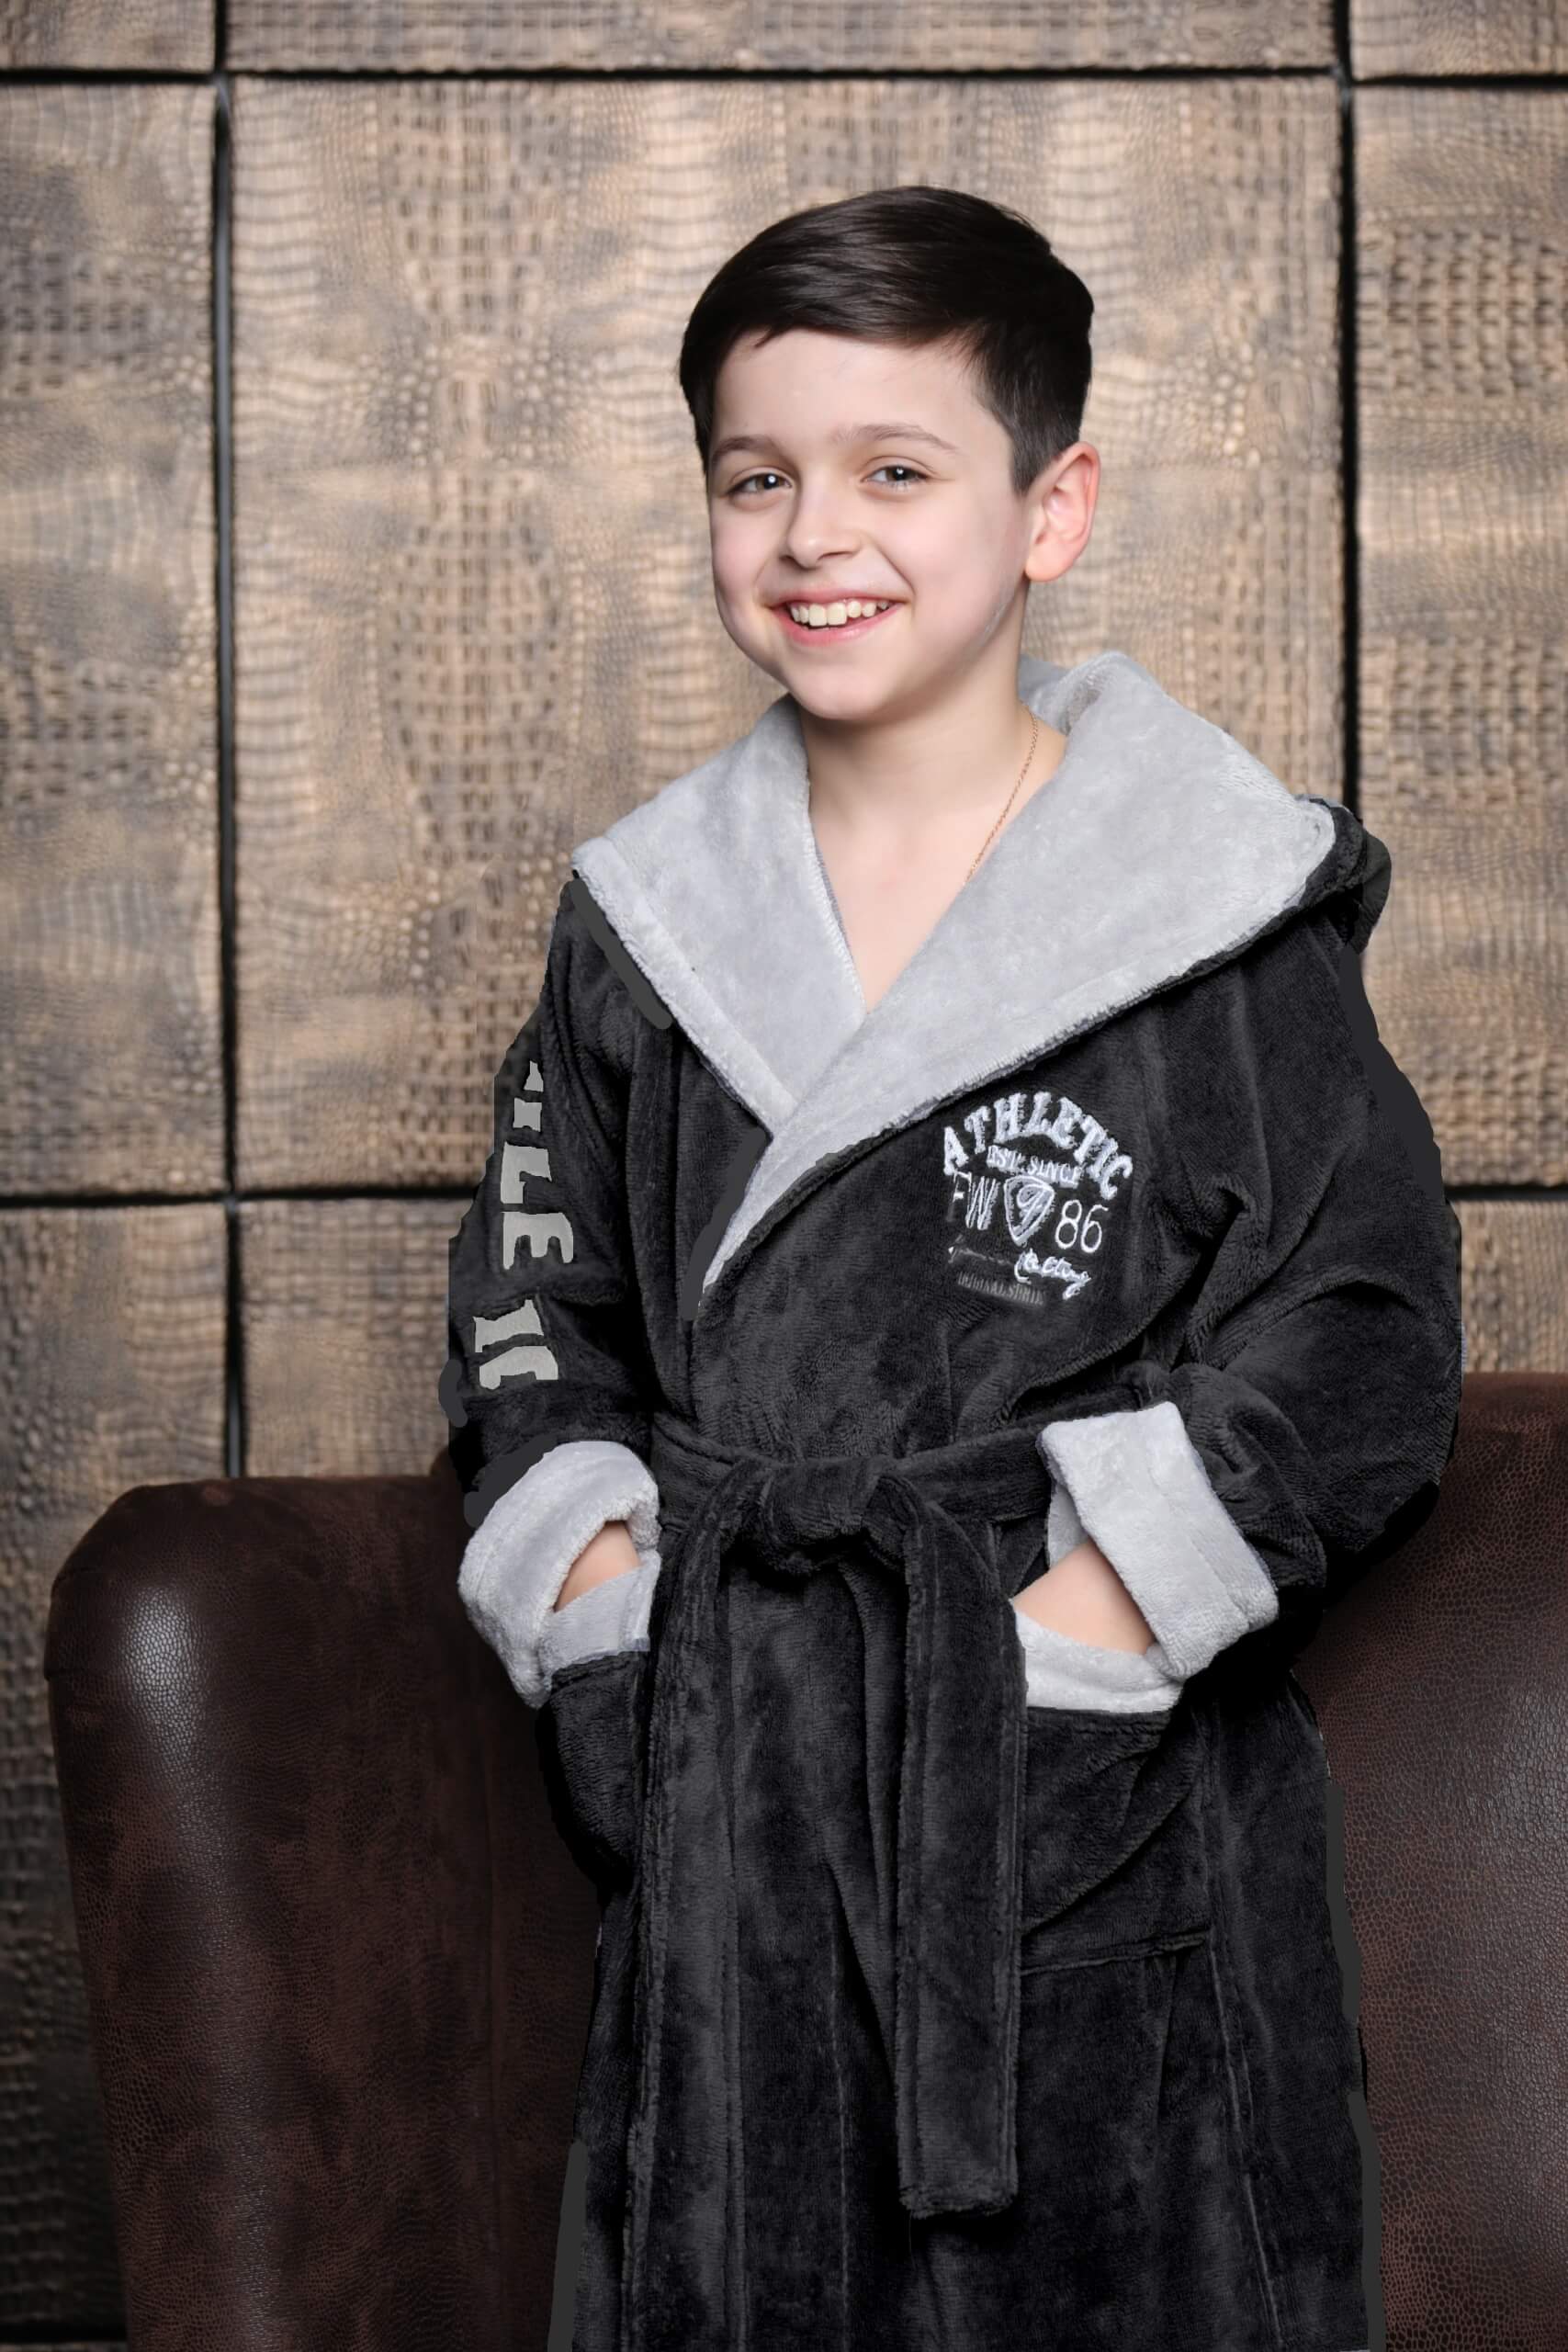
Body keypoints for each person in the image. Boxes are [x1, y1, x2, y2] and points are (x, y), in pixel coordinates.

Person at [441, 184, 1464, 2352]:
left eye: (893, 470)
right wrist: (606, 1607)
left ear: (1046, 508)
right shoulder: (640, 926)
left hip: (1077, 1797)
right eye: (755, 477)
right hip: (730, 1767)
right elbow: (534, 1312)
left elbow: (1360, 1324)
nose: (814, 533)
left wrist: (1081, 1633)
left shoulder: (1212, 913)